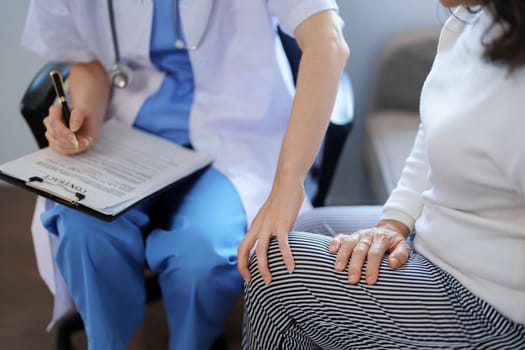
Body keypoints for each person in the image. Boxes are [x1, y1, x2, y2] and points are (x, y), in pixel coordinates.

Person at [21, 0, 349, 349]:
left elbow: (326, 40)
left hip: (236, 138)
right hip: (131, 132)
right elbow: (88, 62)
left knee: (200, 254)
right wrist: (81, 116)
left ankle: (193, 341)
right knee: (84, 225)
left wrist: (288, 183)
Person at [241, 0, 525, 348]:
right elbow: (433, 132)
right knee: (303, 230)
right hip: (440, 240)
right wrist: (394, 224)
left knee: (275, 273)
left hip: (492, 306)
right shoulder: (469, 18)